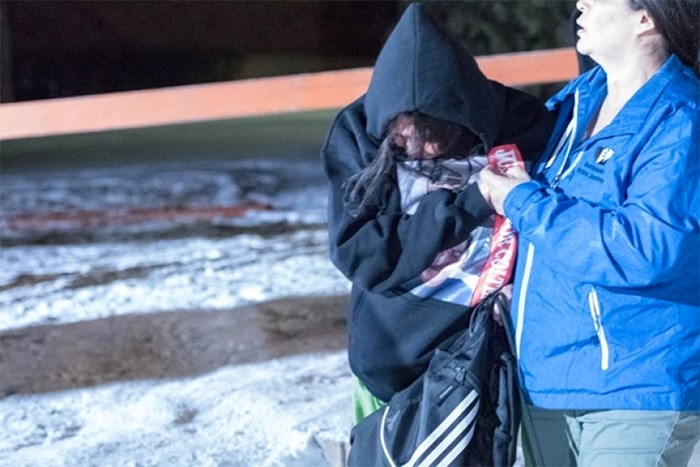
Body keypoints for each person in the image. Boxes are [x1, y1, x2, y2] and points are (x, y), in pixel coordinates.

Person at [477, 0, 700, 465]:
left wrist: (521, 201)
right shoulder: (575, 102)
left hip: (637, 388)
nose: (582, 2)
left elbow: (644, 248)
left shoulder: (680, 118)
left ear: (646, 18)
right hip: (547, 382)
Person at [321, 2, 554, 424]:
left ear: (459, 115)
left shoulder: (521, 123)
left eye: (428, 138)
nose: (414, 152)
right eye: (401, 139)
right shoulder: (357, 133)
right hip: (392, 361)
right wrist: (469, 203)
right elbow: (363, 254)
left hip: (495, 354)